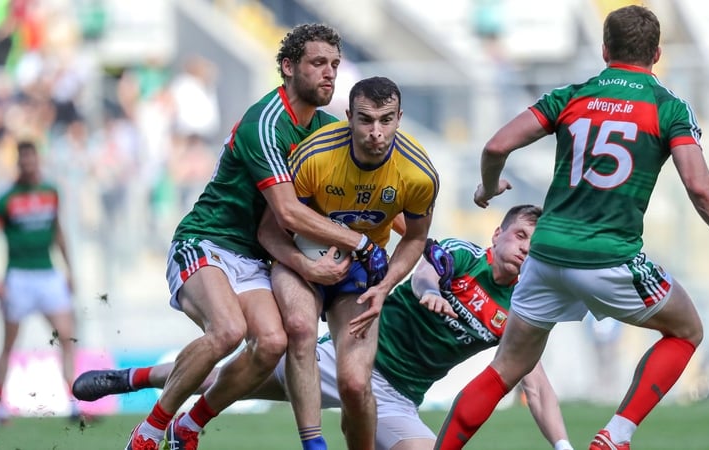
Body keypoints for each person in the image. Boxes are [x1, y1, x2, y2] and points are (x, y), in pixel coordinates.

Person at [435, 5, 709, 450]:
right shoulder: (667, 109)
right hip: (611, 257)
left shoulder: (572, 96)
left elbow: (496, 145)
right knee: (687, 331)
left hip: (546, 255)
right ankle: (615, 435)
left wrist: (488, 188)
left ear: (605, 49)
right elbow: (699, 187)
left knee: (505, 370)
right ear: (658, 53)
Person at [74, 205, 576, 450]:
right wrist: (426, 291)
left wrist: (563, 447)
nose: (525, 247)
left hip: (396, 399)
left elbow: (533, 382)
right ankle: (132, 379)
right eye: (520, 234)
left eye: (536, 241)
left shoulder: (524, 310)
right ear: (498, 233)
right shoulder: (466, 257)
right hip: (344, 356)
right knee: (226, 376)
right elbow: (425, 266)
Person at [122, 24, 389, 450]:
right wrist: (359, 244)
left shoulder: (325, 129)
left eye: (335, 65)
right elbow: (285, 211)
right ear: (287, 67)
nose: (329, 74)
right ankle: (149, 433)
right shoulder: (265, 122)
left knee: (272, 344)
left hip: (253, 255)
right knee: (227, 330)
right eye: (318, 63)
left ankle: (189, 427)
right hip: (207, 240)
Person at [256, 76, 438, 450]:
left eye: (386, 120)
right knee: (300, 328)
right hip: (298, 260)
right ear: (348, 117)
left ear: (400, 118)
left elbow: (415, 237)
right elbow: (270, 233)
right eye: (366, 120)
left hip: (361, 274)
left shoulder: (419, 173)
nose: (376, 131)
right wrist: (307, 267)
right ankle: (314, 444)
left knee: (355, 385)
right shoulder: (314, 155)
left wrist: (384, 288)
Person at [0, 140, 78, 424]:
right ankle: (0, 405)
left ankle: (73, 402)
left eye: (31, 159)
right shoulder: (5, 198)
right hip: (19, 276)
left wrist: (70, 269)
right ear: (18, 164)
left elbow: (58, 231)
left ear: (38, 160)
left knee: (67, 336)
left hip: (48, 274)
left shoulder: (51, 193)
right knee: (9, 342)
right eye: (23, 160)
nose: (28, 165)